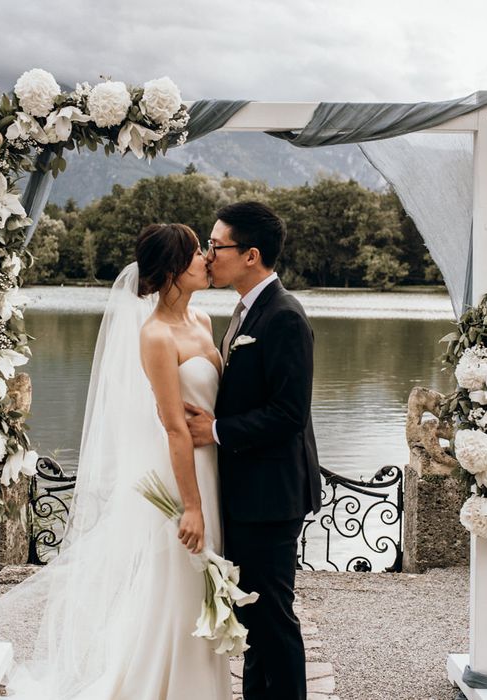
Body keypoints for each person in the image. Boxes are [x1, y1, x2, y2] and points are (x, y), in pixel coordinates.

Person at [0, 223, 233, 699]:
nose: (206, 259)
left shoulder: (203, 323)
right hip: (183, 478)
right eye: (194, 255)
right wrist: (191, 507)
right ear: (170, 270)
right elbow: (171, 427)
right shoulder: (156, 336)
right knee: (181, 590)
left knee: (205, 588)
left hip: (213, 468)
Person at [186, 201, 322, 700]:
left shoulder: (283, 317)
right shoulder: (246, 311)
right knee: (253, 614)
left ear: (251, 255)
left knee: (272, 619)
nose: (208, 254)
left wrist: (216, 431)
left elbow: (289, 413)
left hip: (271, 495)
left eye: (216, 245)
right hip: (248, 492)